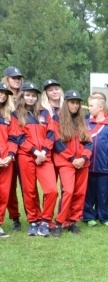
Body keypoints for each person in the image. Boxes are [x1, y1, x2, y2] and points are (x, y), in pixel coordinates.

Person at [9, 82, 59, 237]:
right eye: (27, 95)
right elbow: (18, 137)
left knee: (52, 190)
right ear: (22, 96)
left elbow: (51, 134)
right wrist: (35, 152)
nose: (30, 98)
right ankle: (33, 221)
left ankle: (45, 221)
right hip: (26, 157)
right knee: (29, 191)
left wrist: (43, 152)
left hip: (45, 157)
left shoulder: (45, 113)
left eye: (33, 95)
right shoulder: (16, 115)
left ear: (37, 97)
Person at [52, 90, 92, 236]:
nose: (75, 105)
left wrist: (83, 158)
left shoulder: (82, 121)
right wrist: (72, 159)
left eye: (77, 103)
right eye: (72, 102)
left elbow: (89, 143)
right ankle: (59, 222)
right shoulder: (57, 119)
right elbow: (57, 143)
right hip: (66, 162)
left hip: (82, 163)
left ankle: (73, 222)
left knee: (79, 193)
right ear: (66, 102)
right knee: (68, 191)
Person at [83, 92, 108, 227]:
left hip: (104, 167)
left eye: (91, 106)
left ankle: (104, 217)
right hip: (88, 165)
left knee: (103, 193)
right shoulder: (86, 123)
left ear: (101, 107)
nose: (88, 108)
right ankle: (88, 216)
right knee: (88, 193)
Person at [2, 67, 23, 231]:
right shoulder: (3, 98)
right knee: (8, 186)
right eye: (13, 77)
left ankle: (31, 218)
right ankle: (14, 216)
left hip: (23, 146)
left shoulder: (25, 96)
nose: (17, 80)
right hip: (8, 146)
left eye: (19, 78)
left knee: (25, 186)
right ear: (6, 79)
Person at [0, 82, 14, 237]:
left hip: (6, 161)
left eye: (5, 93)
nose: (2, 95)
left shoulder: (9, 116)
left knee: (3, 193)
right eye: (0, 92)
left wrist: (10, 156)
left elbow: (14, 138)